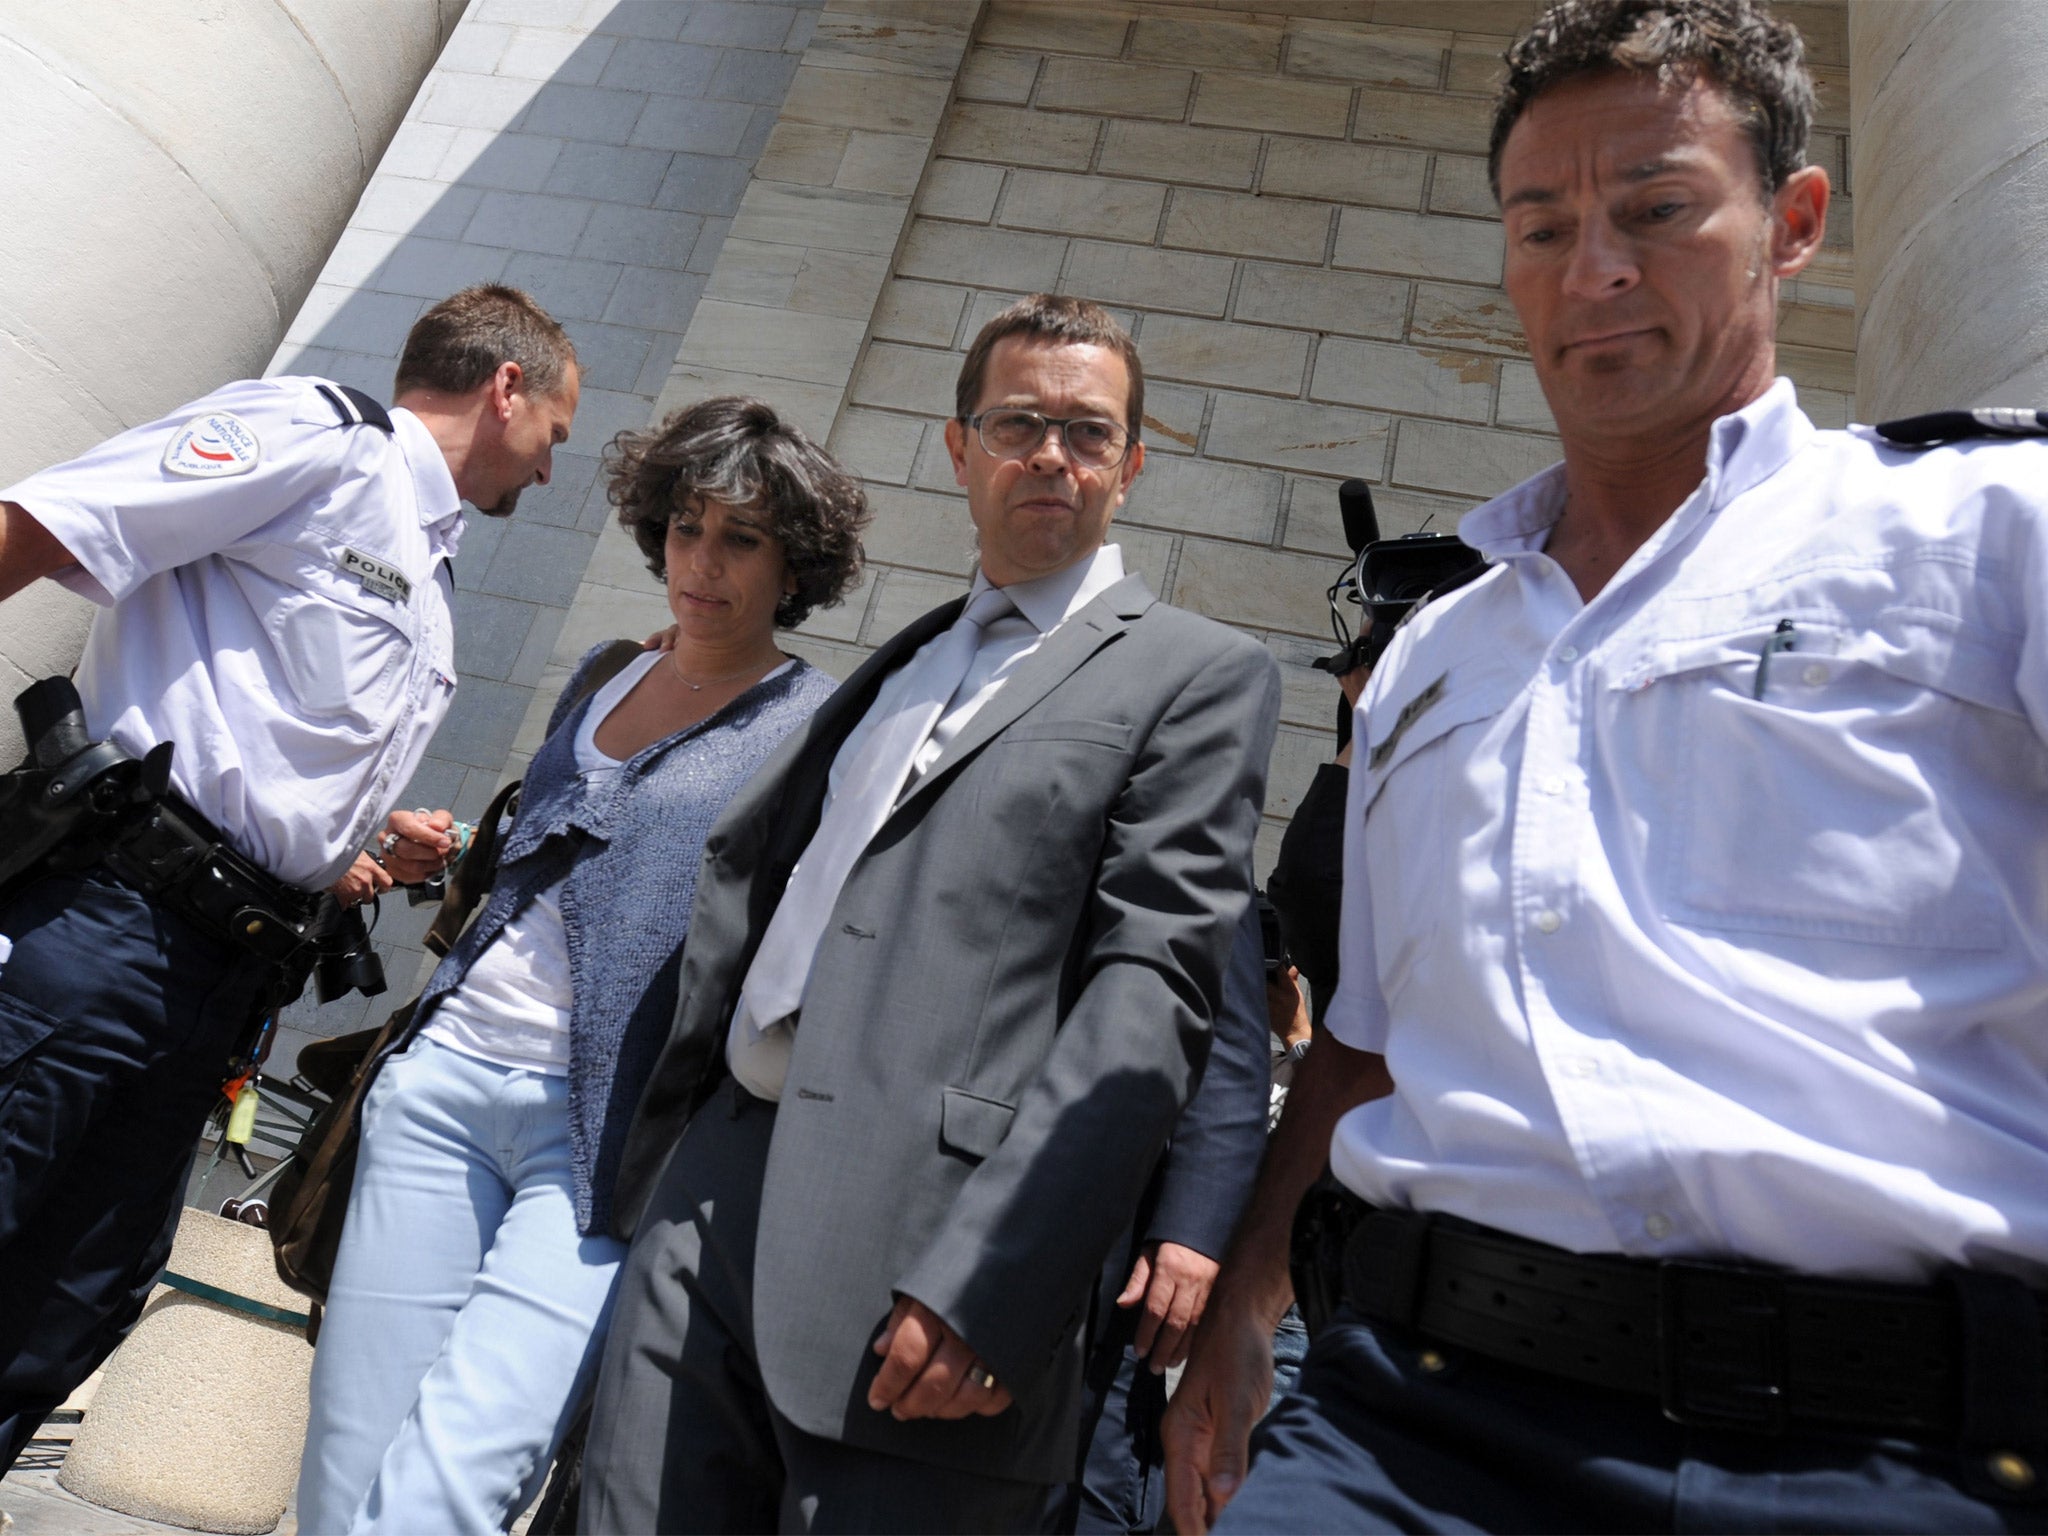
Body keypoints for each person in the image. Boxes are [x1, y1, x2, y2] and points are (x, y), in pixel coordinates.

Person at [1163, 1, 2048, 1531]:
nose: (1594, 274)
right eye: (1542, 225)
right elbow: (1368, 1043)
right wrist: (1245, 1311)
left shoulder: (1986, 535)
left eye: (1656, 209)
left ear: (1794, 223)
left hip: (1903, 1452)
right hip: (1410, 1432)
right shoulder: (1432, 659)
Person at [580, 293, 1282, 1533]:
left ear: (1131, 463)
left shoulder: (1194, 675)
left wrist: (996, 1281)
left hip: (928, 1257)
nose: (1051, 455)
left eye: (1088, 431)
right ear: (959, 450)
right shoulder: (900, 664)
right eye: (1018, 424)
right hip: (717, 1189)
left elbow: (1150, 996)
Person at [0, 284, 579, 1470]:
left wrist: (356, 854)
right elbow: (40, 524)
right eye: (556, 435)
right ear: (506, 387)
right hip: (101, 930)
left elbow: (255, 755)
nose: (551, 470)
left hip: (215, 978)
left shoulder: (432, 572)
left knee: (77, 1292)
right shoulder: (318, 440)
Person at [294, 396, 861, 1534]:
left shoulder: (819, 726)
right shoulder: (603, 670)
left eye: (740, 539)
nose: (701, 563)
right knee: (349, 1469)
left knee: (458, 1476)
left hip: (603, 1137)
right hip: (441, 1088)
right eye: (687, 527)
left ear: (794, 563)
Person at [1050, 901, 1271, 1535]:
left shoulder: (1191, 805)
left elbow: (1225, 1037)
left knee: (1092, 1489)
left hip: (1112, 1268)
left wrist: (1193, 1229)